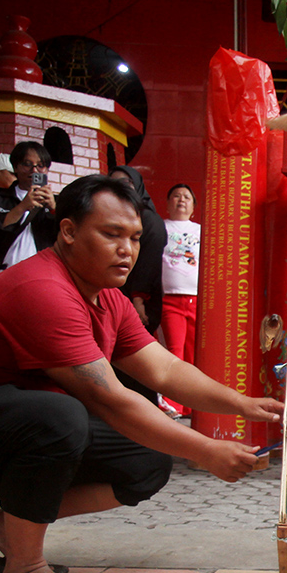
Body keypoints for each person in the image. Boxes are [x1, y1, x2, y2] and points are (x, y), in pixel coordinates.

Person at [0, 175, 282, 573]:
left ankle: (7, 527)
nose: (127, 249)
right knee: (62, 415)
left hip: (5, 430)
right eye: (111, 234)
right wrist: (208, 451)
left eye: (135, 237)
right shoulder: (43, 289)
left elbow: (165, 368)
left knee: (147, 460)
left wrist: (243, 404)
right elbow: (110, 400)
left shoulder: (107, 299)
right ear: (68, 231)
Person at [109, 166, 167, 406]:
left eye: (125, 182)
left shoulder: (149, 220)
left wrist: (138, 299)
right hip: (116, 296)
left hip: (137, 301)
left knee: (135, 359)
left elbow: (149, 263)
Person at [0, 141, 58, 270]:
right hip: (6, 271)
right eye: (27, 164)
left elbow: (71, 235)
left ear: (47, 170)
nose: (34, 170)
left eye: (41, 166)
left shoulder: (57, 202)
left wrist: (54, 208)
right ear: (15, 167)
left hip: (44, 273)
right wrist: (22, 206)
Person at [159, 183, 201, 417]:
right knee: (175, 350)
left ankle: (193, 404)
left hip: (196, 298)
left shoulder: (201, 230)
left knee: (194, 353)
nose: (181, 200)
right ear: (167, 203)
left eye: (186, 197)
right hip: (171, 298)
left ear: (193, 207)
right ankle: (173, 403)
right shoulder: (160, 228)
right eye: (176, 196)